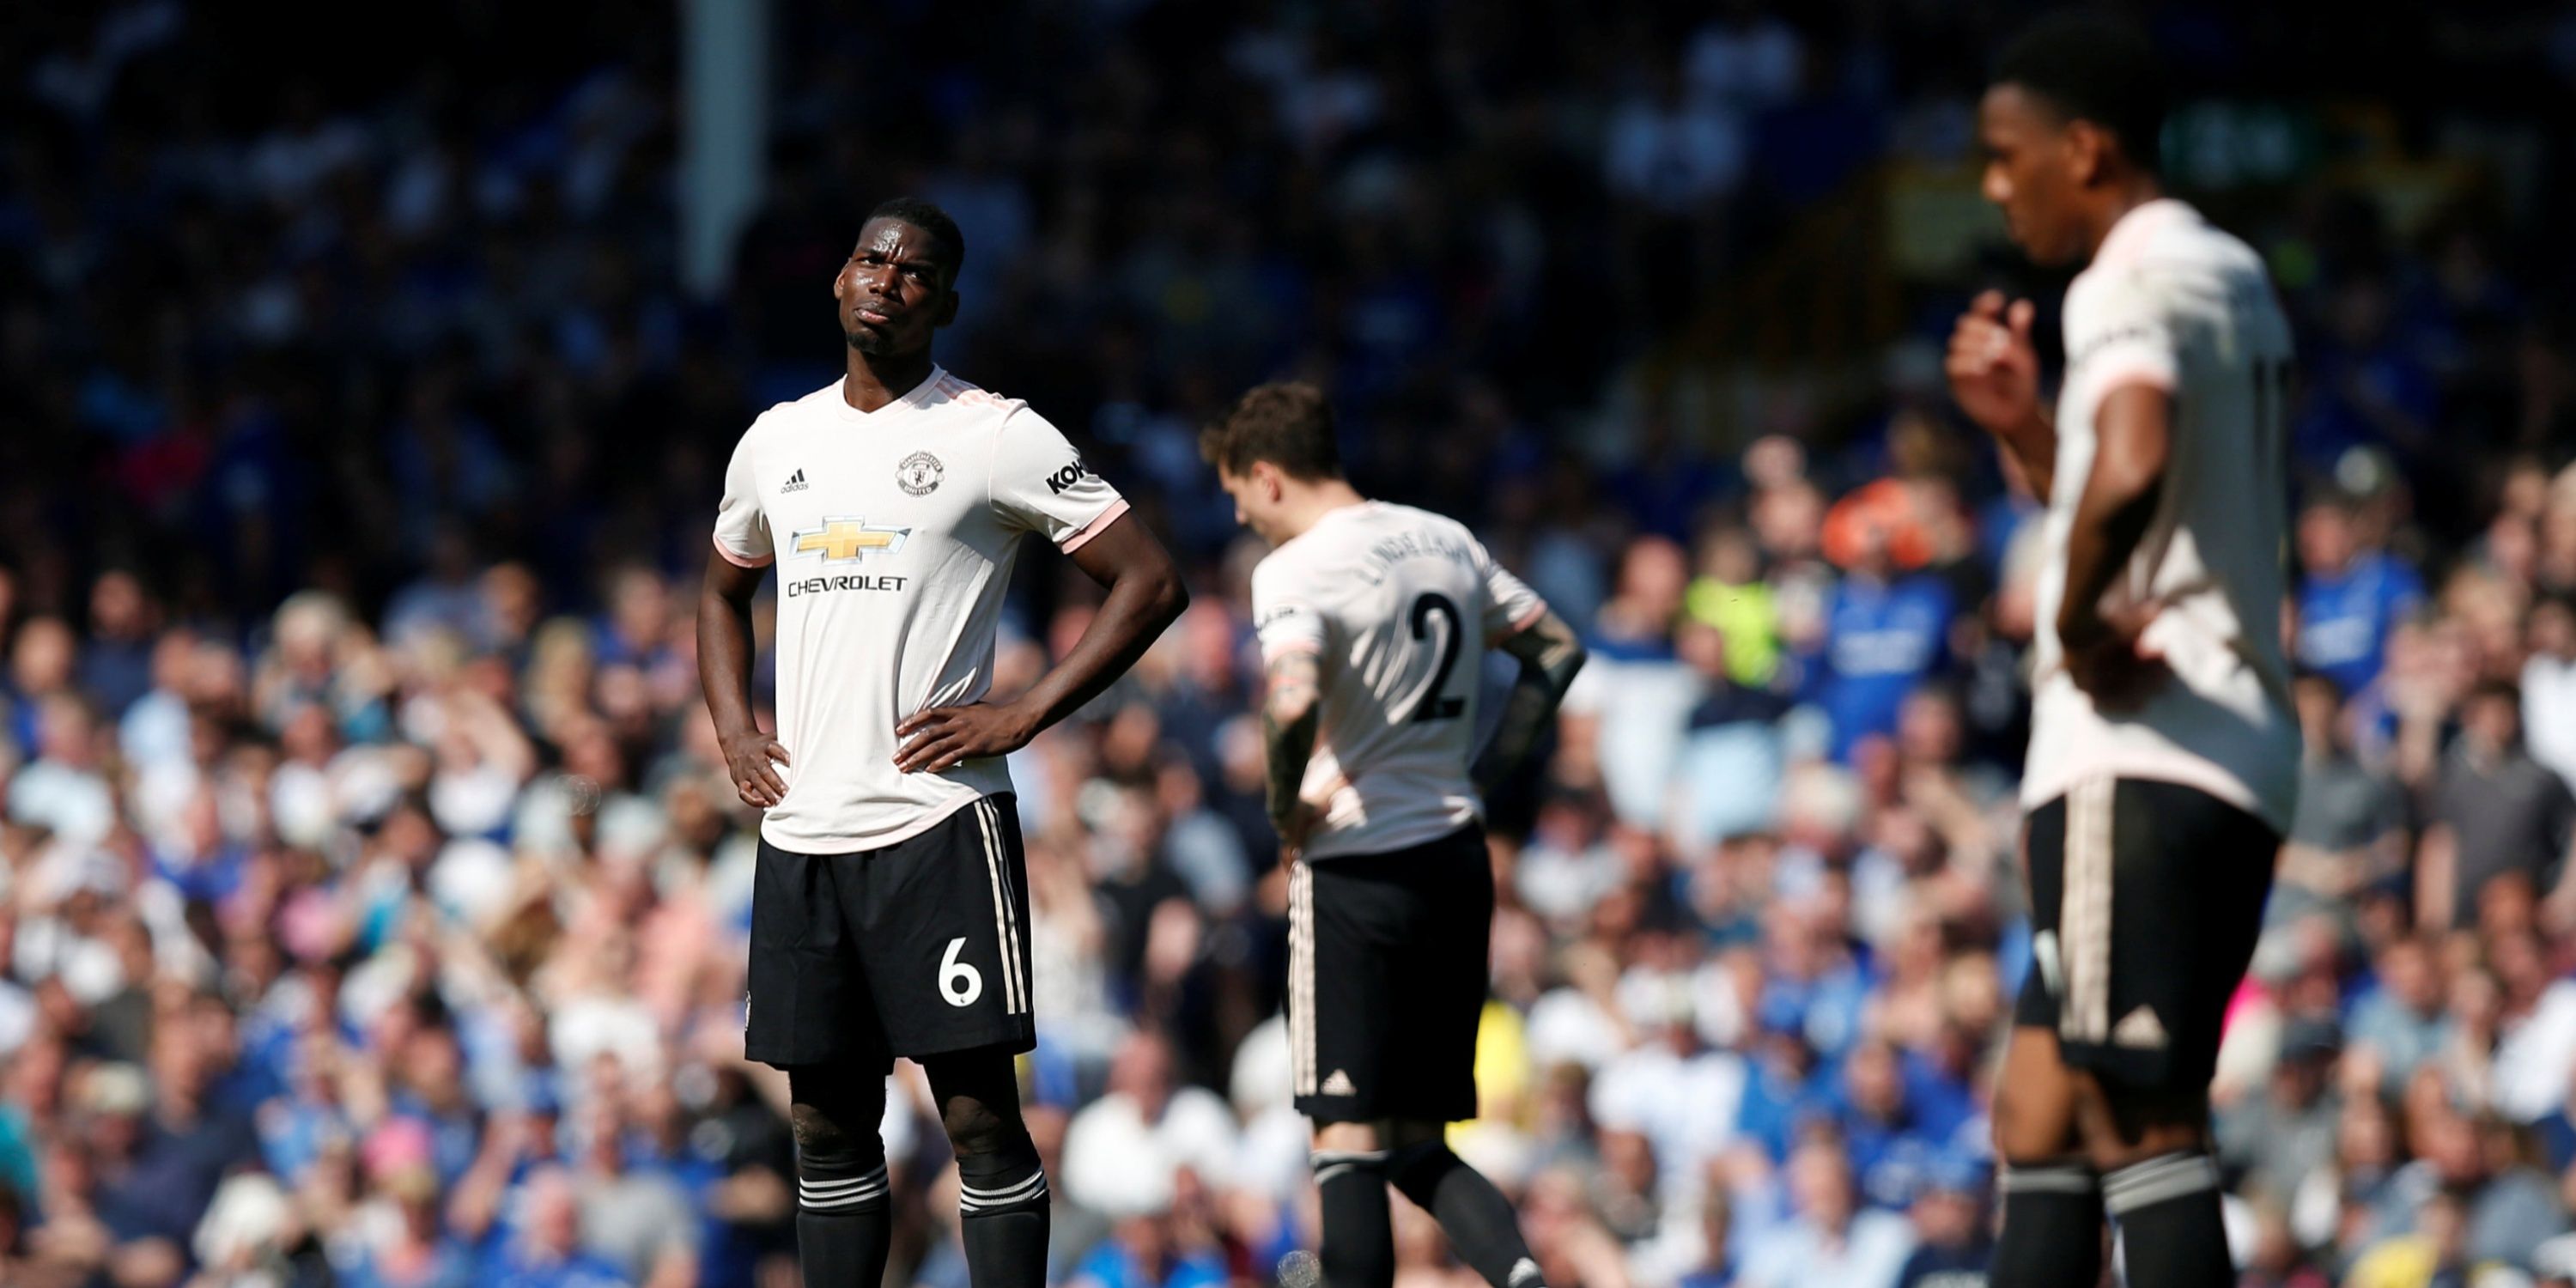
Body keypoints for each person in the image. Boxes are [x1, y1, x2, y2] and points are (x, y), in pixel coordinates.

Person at [698, 197, 1188, 1288]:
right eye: (872, 257)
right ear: (838, 279)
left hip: (938, 822)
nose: (889, 278)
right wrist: (734, 726)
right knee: (825, 1121)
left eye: (917, 271)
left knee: (976, 1113)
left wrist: (1024, 712)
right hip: (806, 827)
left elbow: (1151, 581)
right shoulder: (779, 439)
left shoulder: (997, 434)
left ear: (946, 304)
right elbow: (723, 587)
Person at [1945, 16, 2300, 1288]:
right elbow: (2134, 484)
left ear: (2083, 150)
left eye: (2006, 153)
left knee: (2137, 1115)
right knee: (2040, 1112)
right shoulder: (2230, 272)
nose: (1994, 184)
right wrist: (2029, 432)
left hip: (2137, 756)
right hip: (2230, 749)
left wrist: (2081, 621)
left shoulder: (2122, 281)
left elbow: (2139, 461)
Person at [1201, 381, 1587, 1288]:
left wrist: (1283, 807)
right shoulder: (1444, 539)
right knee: (1420, 1144)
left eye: (1238, 497)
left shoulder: (1297, 568)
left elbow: (1292, 698)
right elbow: (1556, 651)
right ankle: (1524, 1276)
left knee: (1346, 1139)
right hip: (1455, 857)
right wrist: (1484, 775)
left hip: (1355, 868)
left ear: (1266, 475)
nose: (1245, 519)